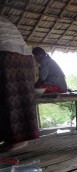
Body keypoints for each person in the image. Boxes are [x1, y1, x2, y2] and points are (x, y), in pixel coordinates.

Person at [0, 16, 39, 151]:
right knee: (22, 98)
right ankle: (20, 138)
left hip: (6, 55)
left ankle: (14, 139)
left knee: (8, 99)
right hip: (26, 59)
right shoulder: (5, 21)